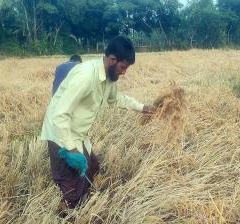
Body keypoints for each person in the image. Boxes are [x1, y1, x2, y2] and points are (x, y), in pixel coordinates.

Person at [41, 36, 155, 209]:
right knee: (72, 185)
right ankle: (70, 216)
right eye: (123, 67)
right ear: (112, 59)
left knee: (92, 168)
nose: (124, 72)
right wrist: (71, 150)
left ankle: (80, 200)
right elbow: (59, 114)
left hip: (79, 133)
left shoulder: (109, 78)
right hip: (61, 134)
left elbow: (116, 99)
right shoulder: (86, 75)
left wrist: (142, 107)